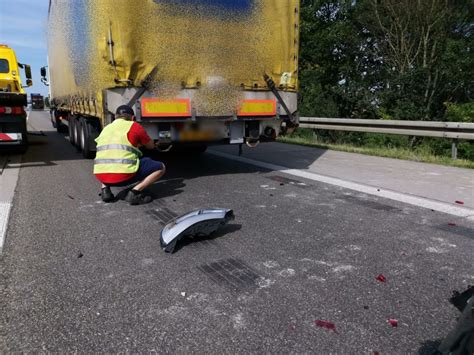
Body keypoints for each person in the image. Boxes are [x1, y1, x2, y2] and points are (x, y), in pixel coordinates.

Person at [93, 105, 165, 205]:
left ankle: (105, 191)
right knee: (160, 167)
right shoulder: (134, 126)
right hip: (123, 176)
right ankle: (134, 192)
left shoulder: (106, 128)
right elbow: (151, 146)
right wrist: (138, 144)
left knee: (108, 156)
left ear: (115, 117)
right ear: (132, 118)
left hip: (101, 175)